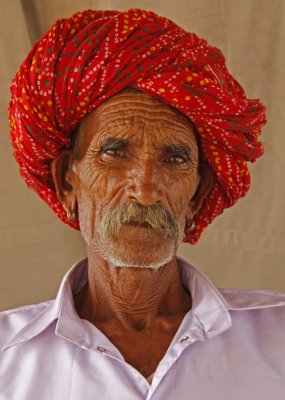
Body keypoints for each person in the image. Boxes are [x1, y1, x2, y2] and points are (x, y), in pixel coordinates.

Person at [1, 8, 284, 399]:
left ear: (195, 198)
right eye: (115, 153)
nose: (146, 191)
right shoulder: (7, 360)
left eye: (174, 159)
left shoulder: (278, 340)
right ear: (68, 181)